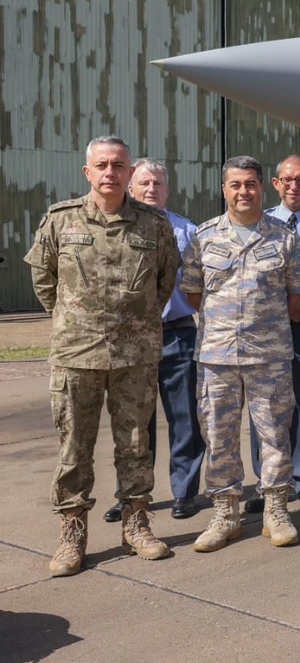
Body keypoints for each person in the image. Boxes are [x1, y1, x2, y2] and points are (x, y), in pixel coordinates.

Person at [25, 136, 179, 576]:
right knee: (74, 447)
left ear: (131, 173)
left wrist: (135, 321)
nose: (110, 171)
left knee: (135, 443)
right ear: (87, 172)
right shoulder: (60, 220)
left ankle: (136, 524)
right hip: (77, 353)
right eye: (102, 164)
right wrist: (75, 320)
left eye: (119, 164)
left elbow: (165, 282)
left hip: (136, 354)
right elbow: (45, 280)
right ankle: (72, 531)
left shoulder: (154, 225)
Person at [180, 155, 300, 552]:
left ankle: (275, 508)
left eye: (250, 184)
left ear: (261, 187)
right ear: (224, 189)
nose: (243, 191)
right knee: (218, 435)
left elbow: (297, 296)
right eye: (235, 184)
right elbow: (193, 295)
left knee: (274, 433)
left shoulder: (284, 238)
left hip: (269, 355)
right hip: (217, 356)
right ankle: (226, 514)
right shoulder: (203, 238)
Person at [101, 159, 203, 525]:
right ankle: (131, 495)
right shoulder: (117, 228)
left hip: (177, 332)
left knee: (185, 419)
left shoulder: (187, 231)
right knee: (132, 424)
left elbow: (199, 286)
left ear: (167, 189)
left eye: (157, 184)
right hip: (131, 338)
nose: (150, 189)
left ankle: (185, 492)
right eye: (144, 183)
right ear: (130, 186)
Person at [241, 155, 300, 515]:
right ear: (275, 184)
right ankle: (268, 482)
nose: (294, 186)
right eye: (287, 180)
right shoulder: (259, 224)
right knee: (265, 405)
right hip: (268, 326)